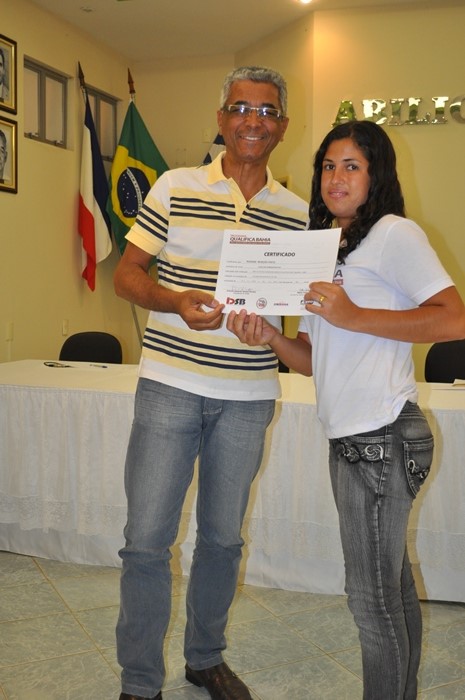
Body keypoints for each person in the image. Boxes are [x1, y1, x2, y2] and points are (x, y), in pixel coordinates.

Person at [227, 120, 465, 700]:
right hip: (355, 439)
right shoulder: (326, 246)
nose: (336, 177)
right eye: (328, 166)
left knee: (370, 601)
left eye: (352, 166)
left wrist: (353, 315)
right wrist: (270, 338)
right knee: (391, 591)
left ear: (376, 174)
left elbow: (454, 318)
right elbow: (311, 360)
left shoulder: (394, 233)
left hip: (382, 433)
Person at [113, 66, 309, 700]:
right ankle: (140, 681)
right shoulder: (174, 186)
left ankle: (204, 659)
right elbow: (127, 274)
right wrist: (174, 300)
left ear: (282, 126)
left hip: (248, 397)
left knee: (222, 541)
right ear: (222, 119)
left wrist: (271, 335)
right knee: (147, 542)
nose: (254, 120)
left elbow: (299, 325)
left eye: (267, 111)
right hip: (170, 384)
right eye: (241, 107)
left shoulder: (299, 215)